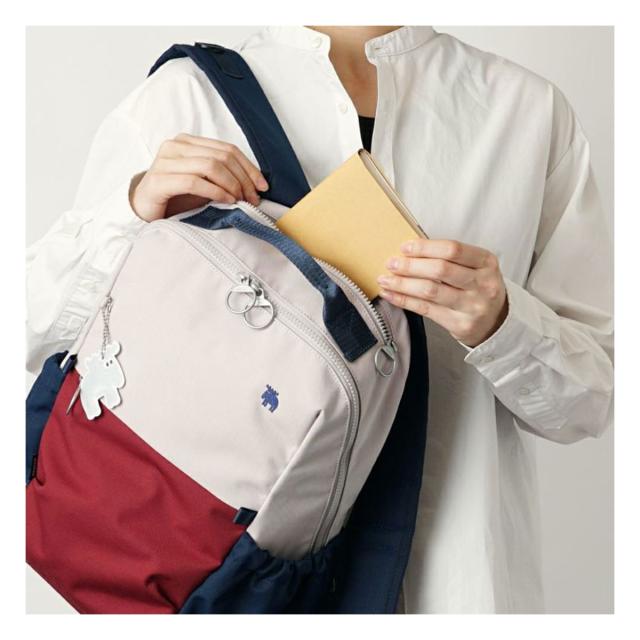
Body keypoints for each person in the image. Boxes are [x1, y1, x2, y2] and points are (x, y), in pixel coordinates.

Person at [26, 26, 613, 613]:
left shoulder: (528, 112)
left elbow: (591, 401)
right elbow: (35, 329)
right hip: (233, 584)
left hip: (458, 591)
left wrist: (503, 324)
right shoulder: (188, 96)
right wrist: (132, 210)